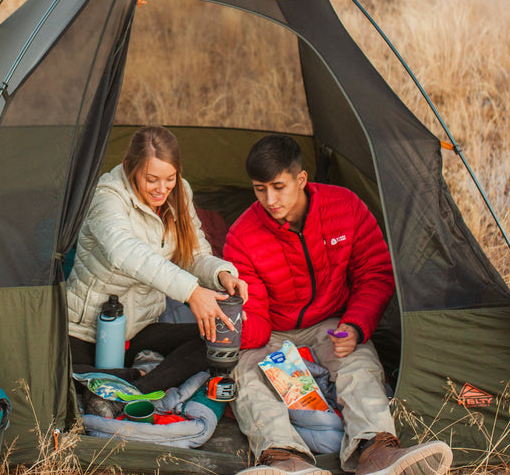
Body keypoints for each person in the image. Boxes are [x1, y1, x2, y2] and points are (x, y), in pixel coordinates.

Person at [224, 135, 452, 475]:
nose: (269, 200)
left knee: (358, 364)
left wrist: (356, 325)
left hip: (331, 320)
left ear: (301, 180)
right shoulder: (242, 234)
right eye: (259, 189)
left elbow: (375, 272)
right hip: (273, 328)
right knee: (246, 373)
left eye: (278, 187)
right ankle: (284, 460)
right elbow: (254, 311)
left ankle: (376, 452)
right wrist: (234, 335)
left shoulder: (344, 207)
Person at [67, 125, 248, 394]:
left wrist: (221, 274)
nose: (162, 189)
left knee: (215, 338)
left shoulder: (180, 193)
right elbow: (123, 251)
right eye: (152, 179)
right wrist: (191, 292)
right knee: (62, 375)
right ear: (131, 167)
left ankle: (137, 385)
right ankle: (126, 380)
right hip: (88, 331)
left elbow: (194, 254)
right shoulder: (107, 196)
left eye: (170, 178)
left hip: (140, 327)